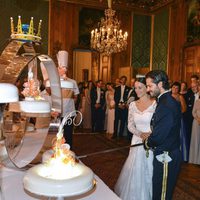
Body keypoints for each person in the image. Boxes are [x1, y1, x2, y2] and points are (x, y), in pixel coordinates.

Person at [115, 76, 156, 200]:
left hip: (151, 141)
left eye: (140, 87)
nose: (137, 90)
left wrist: (150, 134)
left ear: (147, 88)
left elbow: (158, 124)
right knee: (136, 169)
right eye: (135, 88)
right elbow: (130, 126)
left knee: (149, 168)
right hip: (137, 140)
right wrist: (140, 134)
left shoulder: (155, 104)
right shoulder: (132, 104)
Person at [144, 70, 182, 200]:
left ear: (160, 84)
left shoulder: (166, 104)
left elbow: (159, 135)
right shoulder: (165, 100)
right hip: (164, 152)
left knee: (162, 195)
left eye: (149, 86)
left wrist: (147, 142)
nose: (148, 90)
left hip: (167, 155)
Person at [57, 50, 79, 149]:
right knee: (58, 132)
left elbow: (76, 95)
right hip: (57, 111)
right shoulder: (55, 81)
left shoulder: (73, 82)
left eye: (65, 68)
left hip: (69, 112)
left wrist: (70, 104)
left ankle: (68, 150)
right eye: (61, 68)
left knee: (68, 132)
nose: (63, 70)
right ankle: (58, 150)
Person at [189, 83, 200, 164]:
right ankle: (195, 160)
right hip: (197, 123)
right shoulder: (197, 101)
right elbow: (193, 112)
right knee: (196, 140)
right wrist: (198, 119)